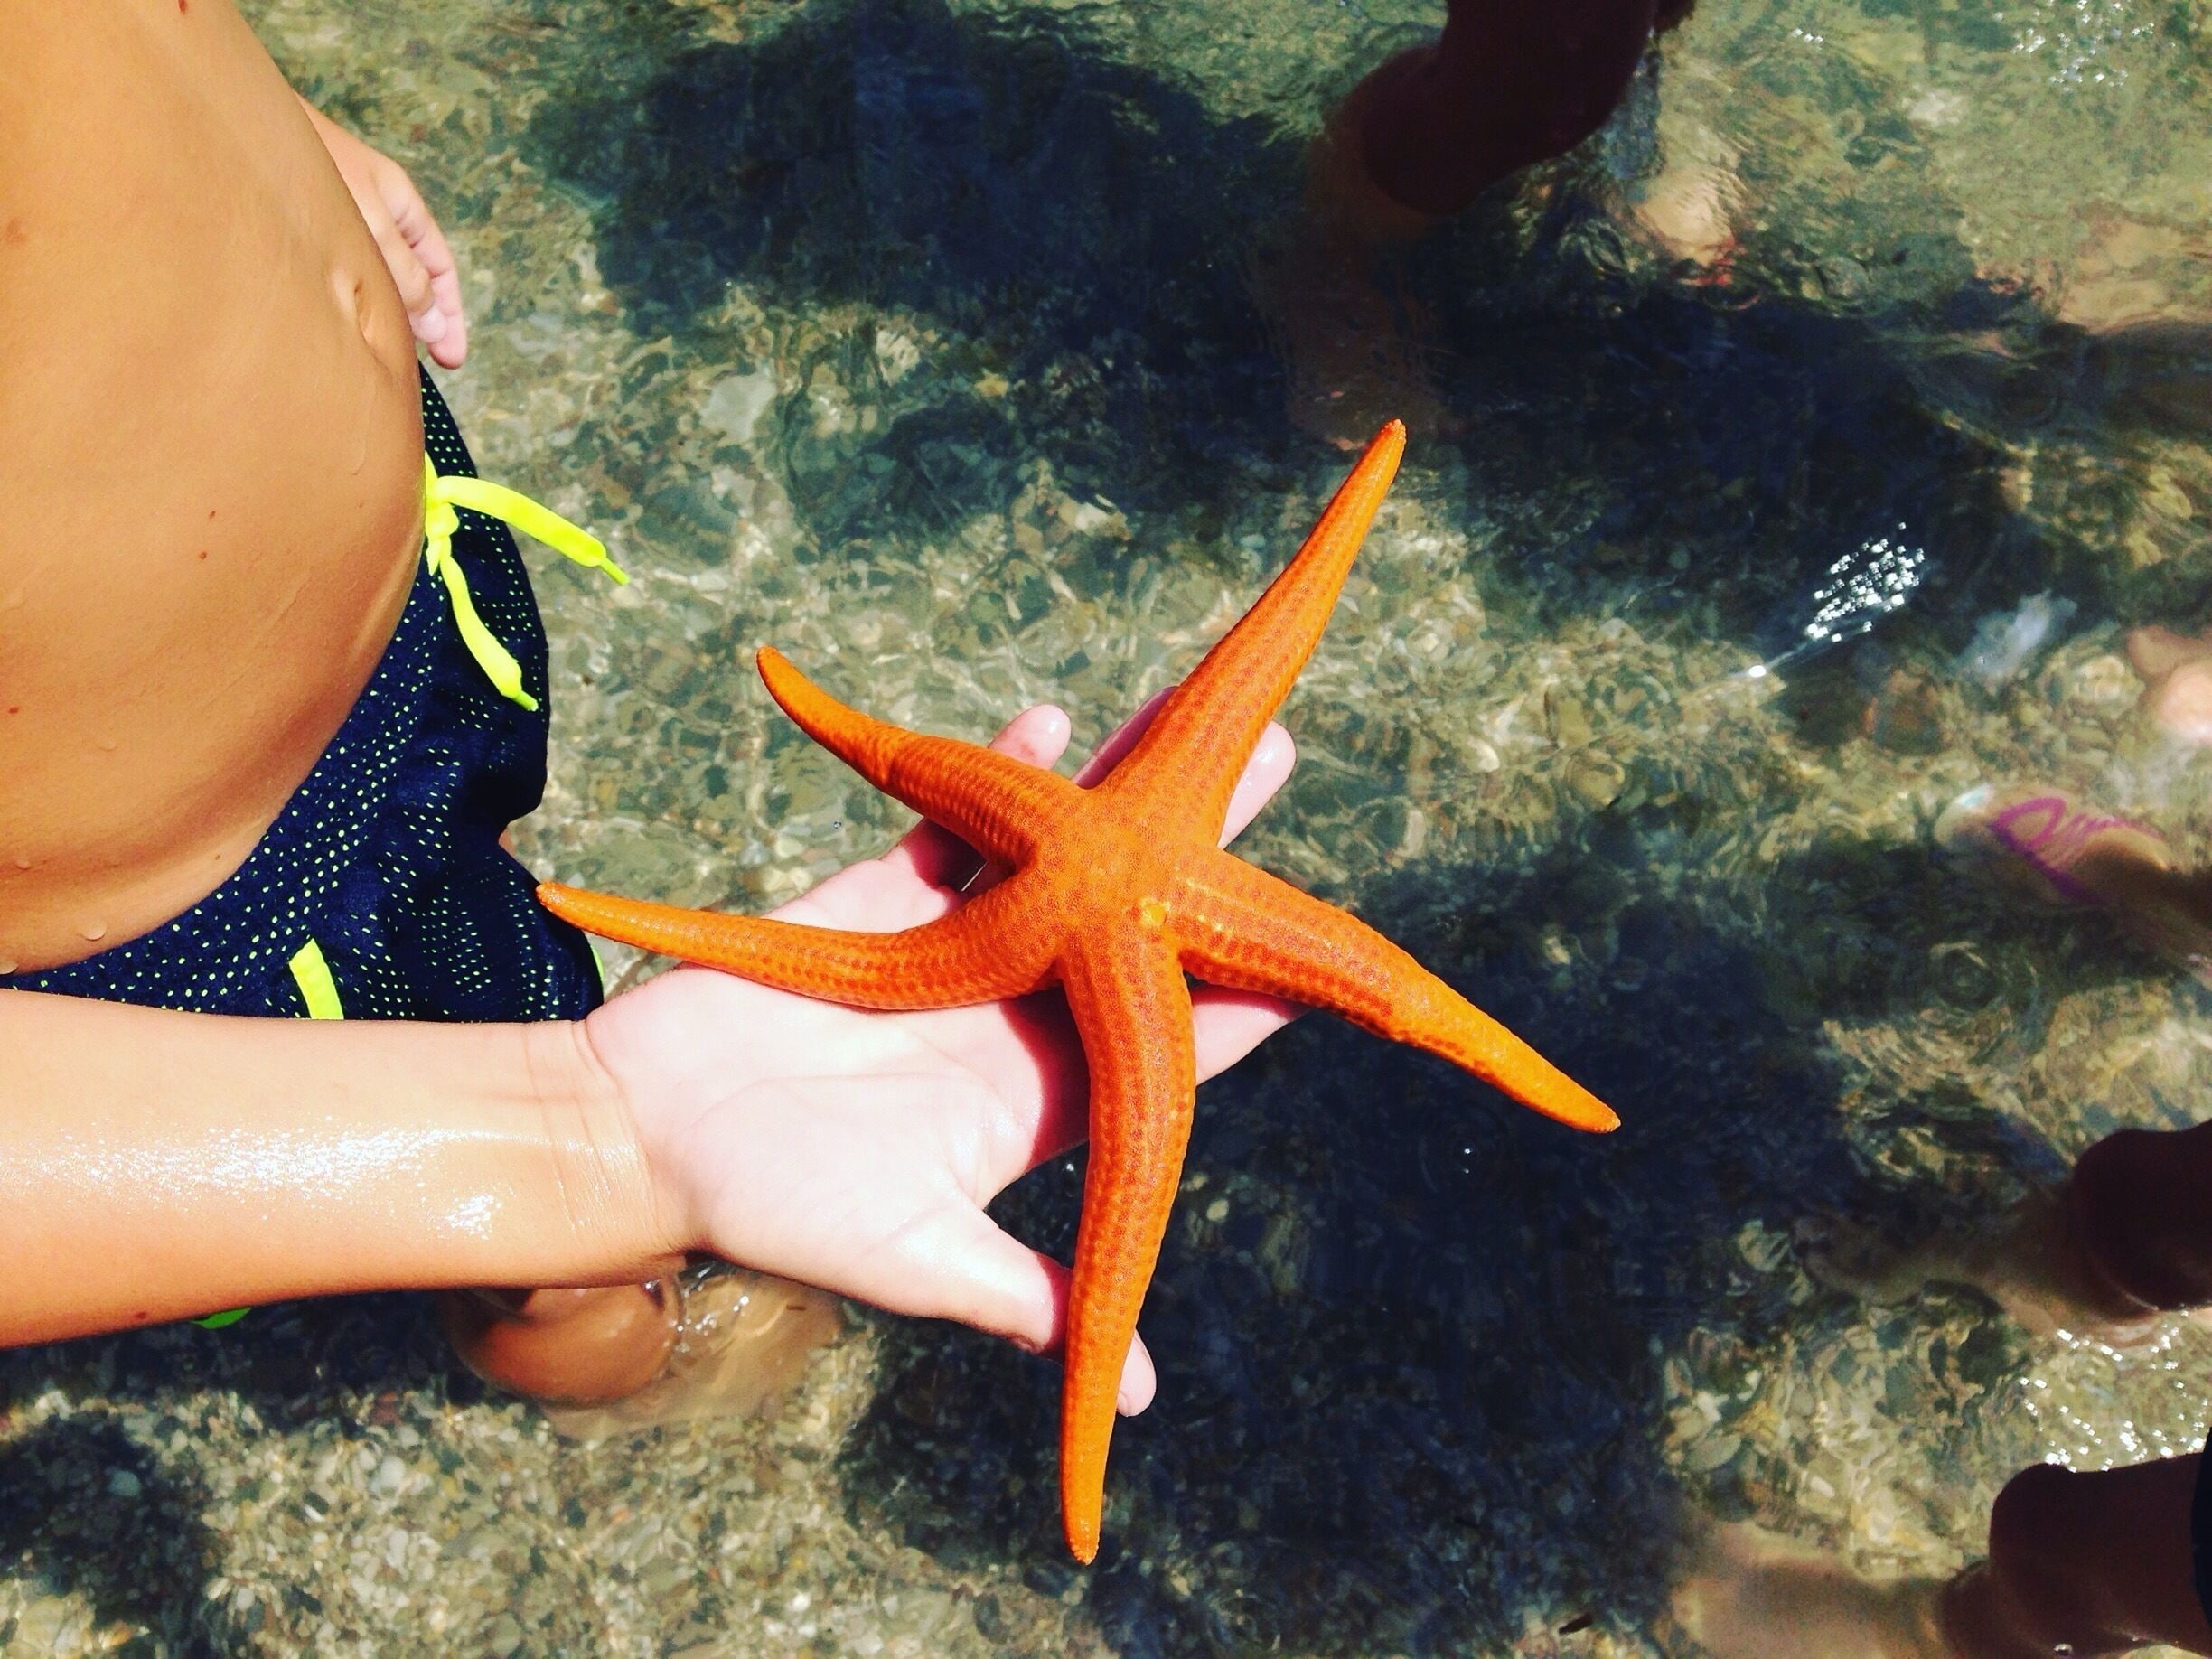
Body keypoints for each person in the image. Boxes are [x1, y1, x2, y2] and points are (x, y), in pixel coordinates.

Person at [0, 1, 1305, 1424]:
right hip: (200, 898)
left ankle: (541, 1084)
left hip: (413, 615)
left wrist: (252, 133)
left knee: (492, 906)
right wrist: (594, 1143)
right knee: (549, 1258)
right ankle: (565, 1295)